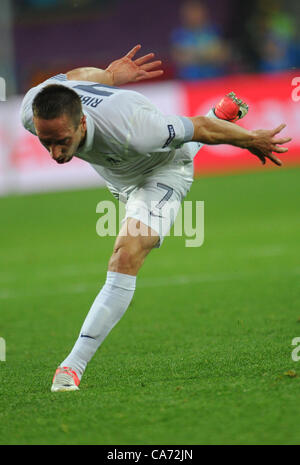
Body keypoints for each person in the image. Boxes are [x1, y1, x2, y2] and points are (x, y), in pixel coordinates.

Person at [20, 44, 291, 392]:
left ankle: (71, 367)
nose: (55, 153)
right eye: (46, 143)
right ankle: (221, 110)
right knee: (149, 162)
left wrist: (252, 139)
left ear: (83, 122)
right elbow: (69, 80)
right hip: (119, 176)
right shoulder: (34, 108)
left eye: (61, 142)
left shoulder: (136, 128)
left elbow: (198, 128)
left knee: (126, 252)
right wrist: (108, 75)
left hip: (163, 172)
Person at [170, 0, 229, 80]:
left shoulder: (214, 31)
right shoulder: (178, 34)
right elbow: (180, 59)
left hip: (214, 80)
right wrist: (206, 54)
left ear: (203, 12)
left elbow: (222, 55)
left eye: (196, 11)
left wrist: (193, 55)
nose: (193, 15)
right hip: (189, 82)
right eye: (190, 12)